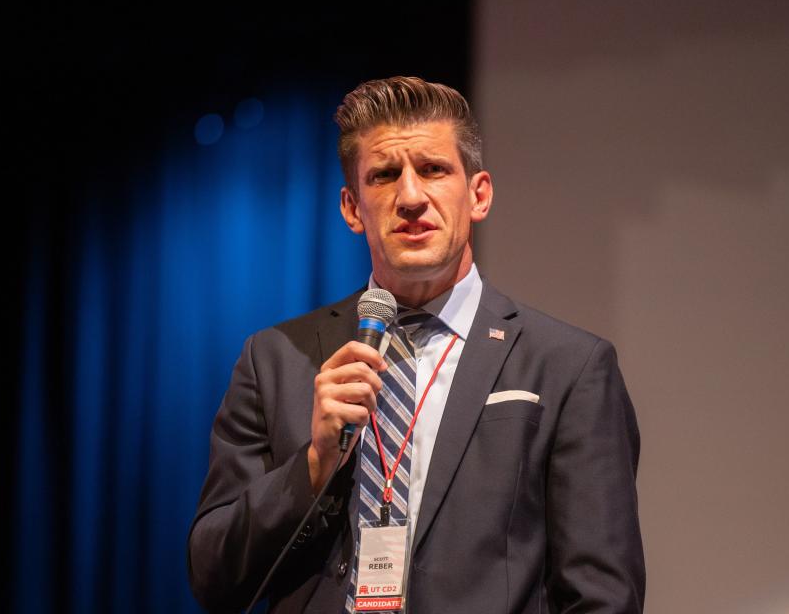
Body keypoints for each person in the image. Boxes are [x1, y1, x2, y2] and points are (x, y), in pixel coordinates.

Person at [187, 76, 645, 613]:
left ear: (478, 195)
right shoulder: (274, 360)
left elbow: (602, 597)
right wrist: (312, 465)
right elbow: (213, 576)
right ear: (353, 208)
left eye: (433, 169)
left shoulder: (568, 367)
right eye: (384, 176)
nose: (409, 197)